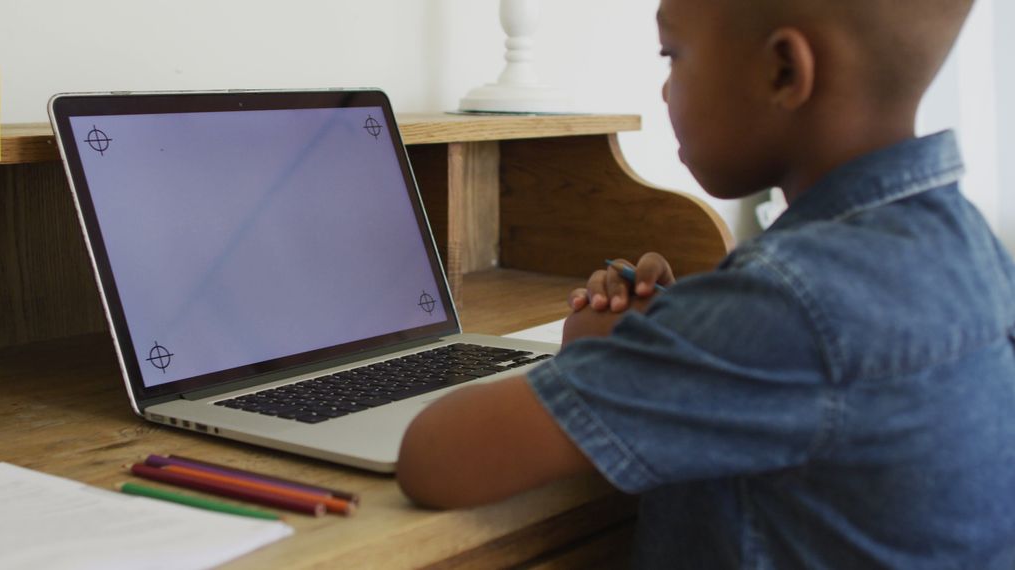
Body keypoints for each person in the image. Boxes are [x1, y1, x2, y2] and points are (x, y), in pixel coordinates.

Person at [397, 0, 1015, 566]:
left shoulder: (787, 302)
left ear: (782, 71)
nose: (665, 89)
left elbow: (435, 458)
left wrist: (624, 350)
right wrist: (685, 327)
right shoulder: (968, 246)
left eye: (674, 55)